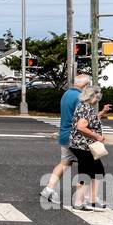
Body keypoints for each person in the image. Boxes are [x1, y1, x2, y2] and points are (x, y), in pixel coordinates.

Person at [41, 74, 89, 205]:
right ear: (85, 86)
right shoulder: (80, 98)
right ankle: (84, 197)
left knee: (64, 163)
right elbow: (80, 120)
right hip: (75, 137)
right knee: (87, 166)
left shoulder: (66, 94)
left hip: (64, 134)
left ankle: (49, 188)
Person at [70, 85, 109, 210]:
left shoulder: (82, 106)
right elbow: (81, 127)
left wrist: (101, 113)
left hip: (80, 145)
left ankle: (90, 199)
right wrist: (97, 136)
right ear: (92, 97)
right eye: (97, 97)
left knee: (96, 171)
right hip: (84, 146)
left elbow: (90, 121)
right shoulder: (87, 108)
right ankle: (80, 201)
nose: (97, 100)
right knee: (88, 173)